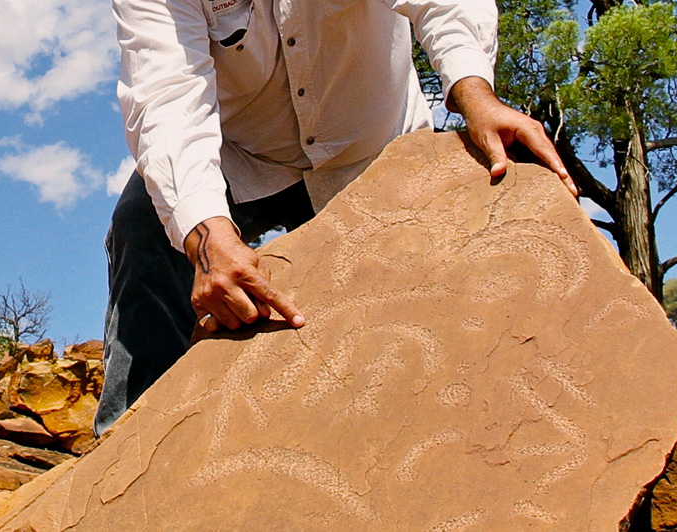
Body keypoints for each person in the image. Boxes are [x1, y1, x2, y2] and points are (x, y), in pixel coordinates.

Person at [93, 0, 578, 436]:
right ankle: (123, 448)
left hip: (372, 147)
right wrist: (205, 236)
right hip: (242, 156)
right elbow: (164, 95)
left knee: (443, 263)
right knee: (144, 224)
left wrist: (476, 95)